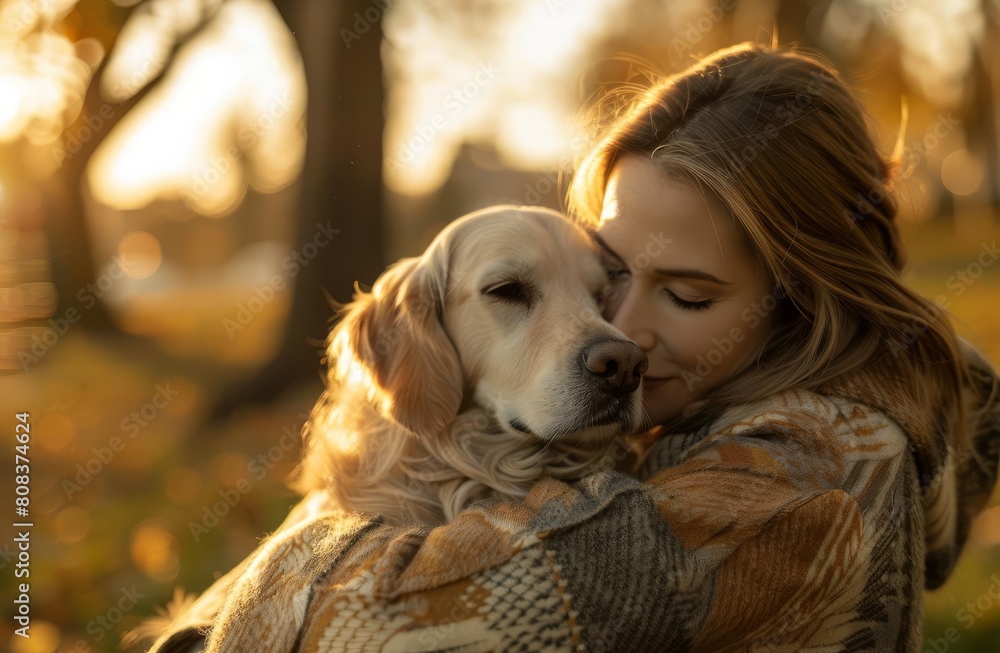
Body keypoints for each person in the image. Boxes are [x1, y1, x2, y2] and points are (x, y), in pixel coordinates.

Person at [143, 43, 1000, 652]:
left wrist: (307, 531)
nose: (617, 334)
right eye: (613, 275)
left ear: (805, 303)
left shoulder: (790, 490)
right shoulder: (710, 410)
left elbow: (362, 625)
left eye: (691, 294)